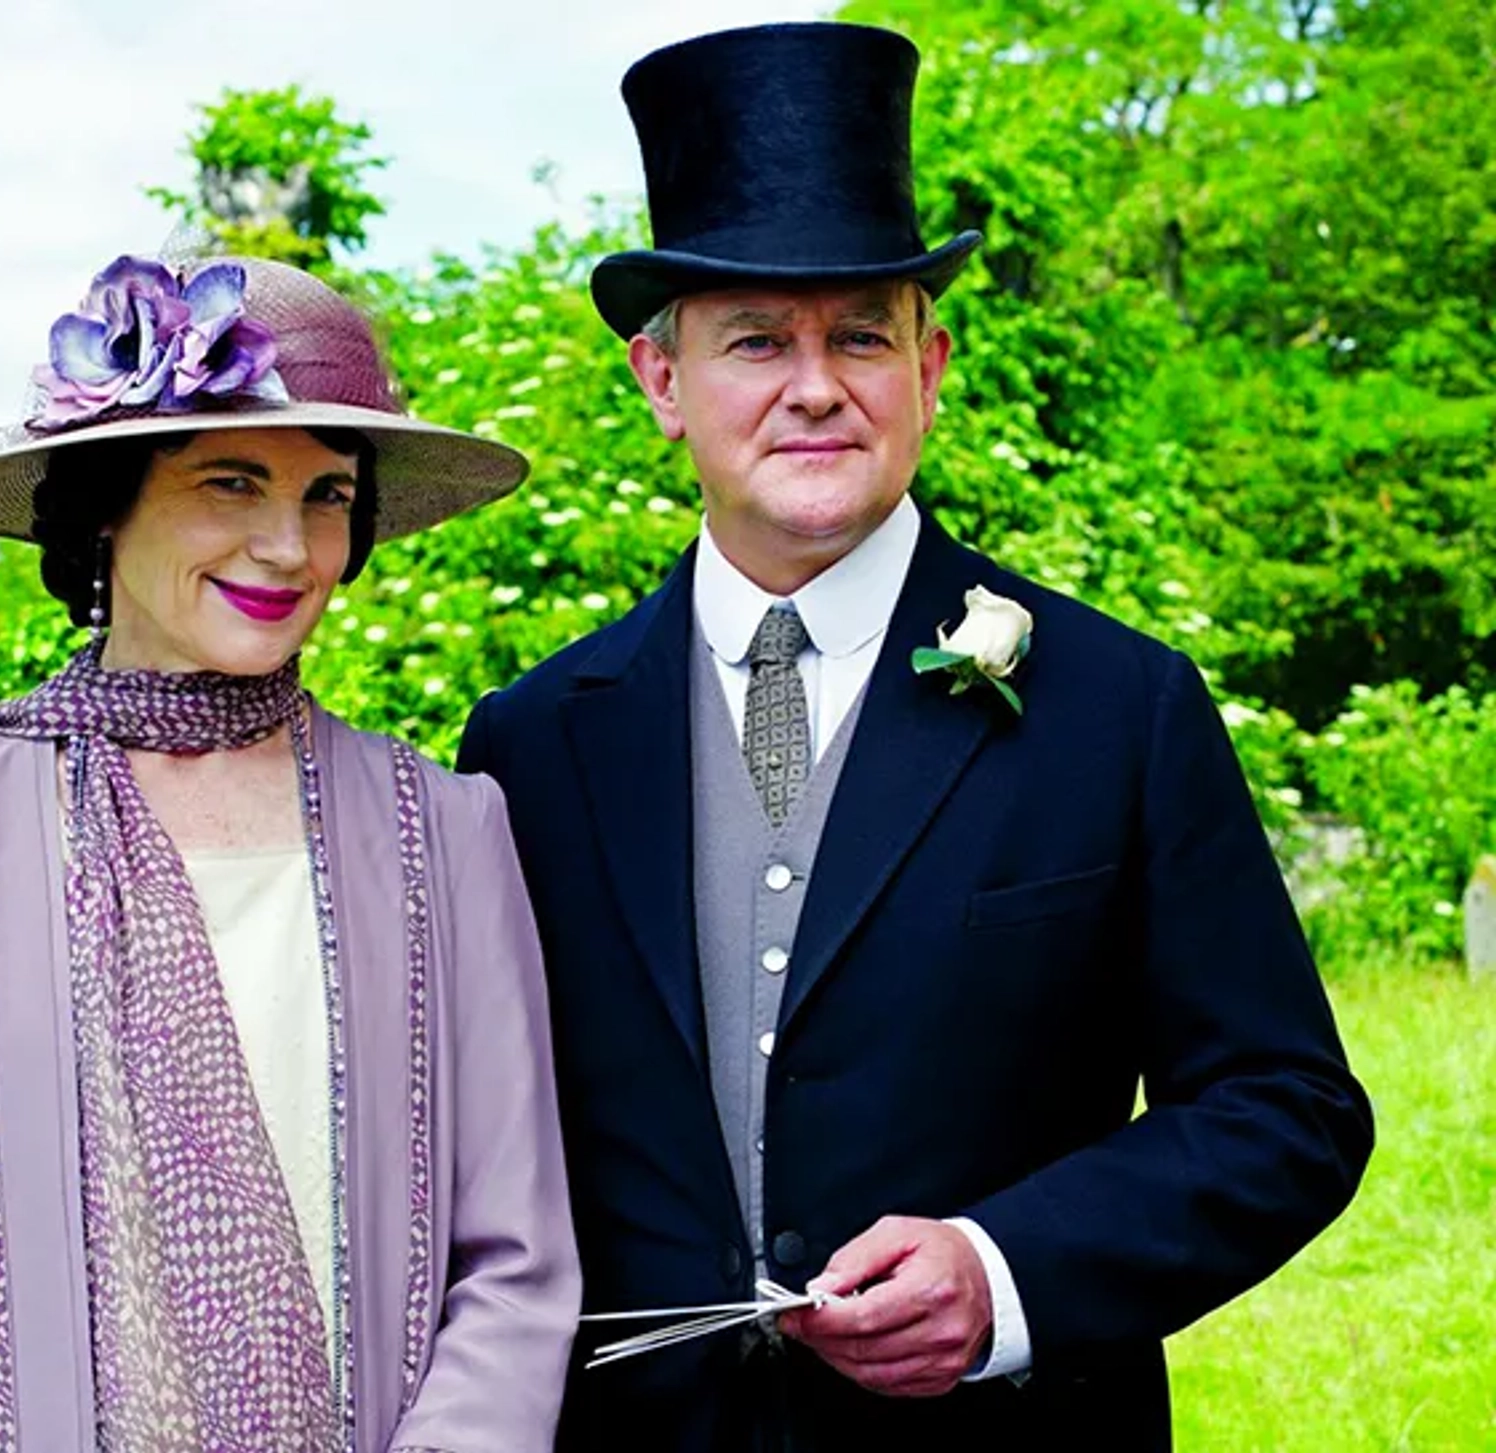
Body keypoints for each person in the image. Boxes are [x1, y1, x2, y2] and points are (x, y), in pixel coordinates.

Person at [457, 22, 1371, 1450]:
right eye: (755, 339)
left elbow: (1285, 1109)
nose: (814, 384)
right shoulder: (526, 746)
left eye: (860, 335)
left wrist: (1009, 1272)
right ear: (661, 381)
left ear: (930, 367)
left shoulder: (1122, 710)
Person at [0, 252, 579, 1453]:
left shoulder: (442, 828)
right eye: (231, 481)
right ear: (107, 501)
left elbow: (513, 1264)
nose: (288, 548)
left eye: (327, 497)